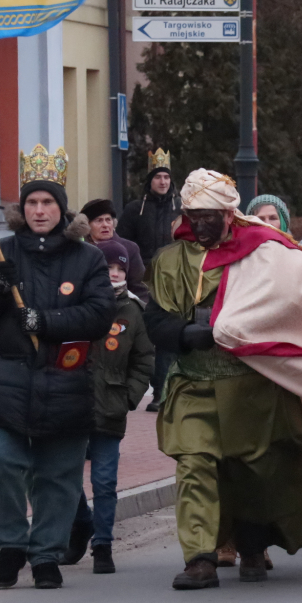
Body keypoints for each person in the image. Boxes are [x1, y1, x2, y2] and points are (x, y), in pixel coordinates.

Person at [144, 168, 302, 590]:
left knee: (252, 472)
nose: (200, 225)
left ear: (229, 215)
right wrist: (185, 334)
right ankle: (200, 557)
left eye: (210, 217)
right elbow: (155, 320)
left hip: (253, 386)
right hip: (193, 382)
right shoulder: (170, 261)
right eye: (194, 216)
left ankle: (252, 545)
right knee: (194, 465)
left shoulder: (264, 252)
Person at [0, 145, 118, 590]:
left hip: (65, 383)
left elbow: (99, 315)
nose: (39, 210)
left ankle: (46, 554)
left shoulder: (87, 258)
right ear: (22, 208)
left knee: (58, 477)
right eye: (31, 202)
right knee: (1, 463)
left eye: (48, 201)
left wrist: (45, 322)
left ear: (61, 208)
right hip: (7, 383)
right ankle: (10, 544)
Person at [61, 239, 155, 574]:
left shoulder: (132, 311)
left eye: (119, 269)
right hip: (71, 402)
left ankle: (103, 544)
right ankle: (81, 523)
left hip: (110, 407)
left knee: (104, 481)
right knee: (65, 475)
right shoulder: (76, 302)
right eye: (107, 268)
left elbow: (144, 359)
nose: (114, 274)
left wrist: (128, 396)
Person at [117, 148, 182, 411]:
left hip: (174, 281)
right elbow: (123, 244)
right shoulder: (135, 209)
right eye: (158, 177)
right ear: (150, 180)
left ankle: (162, 391)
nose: (163, 182)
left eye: (166, 177)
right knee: (143, 337)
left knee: (166, 336)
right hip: (142, 282)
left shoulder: (181, 208)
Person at [80, 198, 149, 303]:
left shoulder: (129, 248)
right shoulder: (80, 250)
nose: (105, 225)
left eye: (108, 220)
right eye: (99, 220)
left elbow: (140, 288)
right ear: (88, 225)